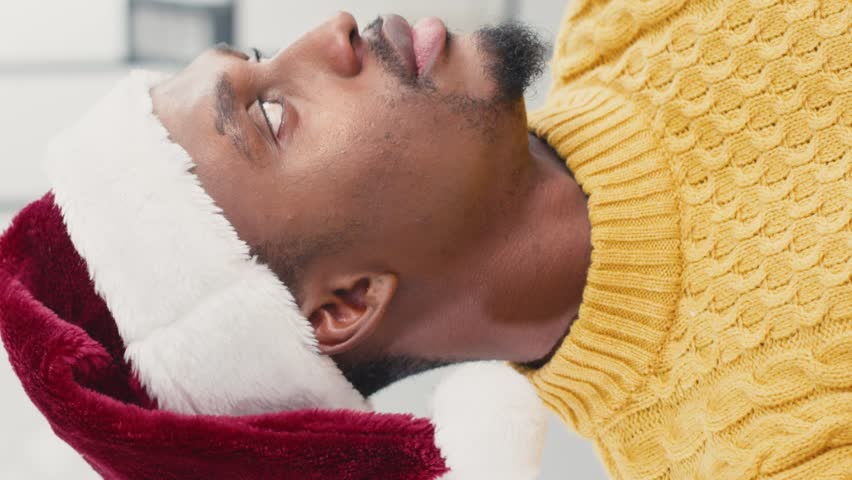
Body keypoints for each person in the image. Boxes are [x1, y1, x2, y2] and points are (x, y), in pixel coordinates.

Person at [0, 1, 849, 478]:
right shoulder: (767, 455)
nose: (333, 29)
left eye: (257, 55)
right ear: (345, 306)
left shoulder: (647, 16)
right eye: (270, 113)